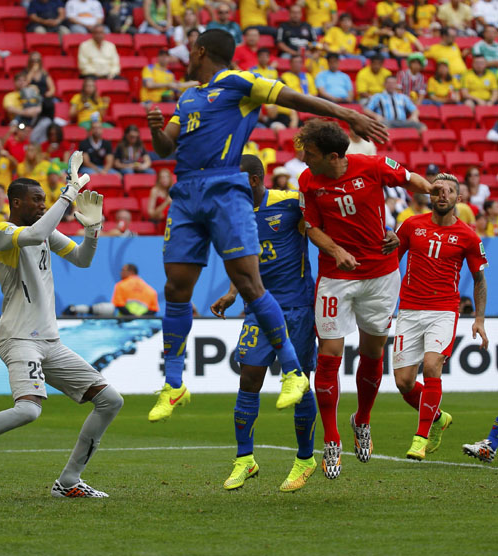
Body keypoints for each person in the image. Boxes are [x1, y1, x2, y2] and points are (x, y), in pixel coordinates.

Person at [145, 28, 387, 423]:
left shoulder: (241, 83)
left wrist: (346, 114)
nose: (186, 57)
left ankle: (292, 370)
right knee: (175, 286)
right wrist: (157, 128)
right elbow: (165, 146)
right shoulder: (187, 96)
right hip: (185, 192)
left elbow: (295, 97)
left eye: (190, 51)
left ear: (201, 51)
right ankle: (174, 384)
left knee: (249, 283)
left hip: (223, 188)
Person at [0, 164, 124, 499]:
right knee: (29, 409)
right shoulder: (1, 232)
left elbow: (82, 259)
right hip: (18, 338)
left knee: (109, 401)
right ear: (16, 203)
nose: (43, 205)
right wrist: (68, 194)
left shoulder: (44, 231)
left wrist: (93, 230)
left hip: (49, 341)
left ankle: (68, 481)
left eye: (45, 199)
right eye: (36, 200)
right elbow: (32, 235)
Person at [296, 119, 435, 479]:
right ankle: (330, 439)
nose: (303, 157)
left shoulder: (373, 166)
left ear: (332, 156)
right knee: (329, 355)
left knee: (373, 352)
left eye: (308, 152)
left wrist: (406, 225)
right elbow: (311, 228)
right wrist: (336, 249)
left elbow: (415, 183)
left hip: (380, 275)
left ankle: (363, 420)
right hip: (336, 277)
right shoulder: (308, 180)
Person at [211, 154, 319, 493]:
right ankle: (246, 459)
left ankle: (305, 458)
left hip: (298, 307)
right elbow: (244, 260)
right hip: (258, 306)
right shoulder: (233, 215)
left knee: (299, 383)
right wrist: (231, 293)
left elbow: (324, 220)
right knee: (249, 376)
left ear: (255, 180)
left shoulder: (289, 204)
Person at [393, 173, 489, 461]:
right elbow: (390, 260)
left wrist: (480, 319)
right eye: (437, 191)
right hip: (409, 309)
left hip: (444, 310)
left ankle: (420, 438)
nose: (442, 195)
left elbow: (480, 280)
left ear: (458, 199)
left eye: (449, 191)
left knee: (432, 365)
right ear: (430, 197)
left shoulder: (468, 236)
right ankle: (438, 418)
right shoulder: (411, 225)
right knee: (403, 383)